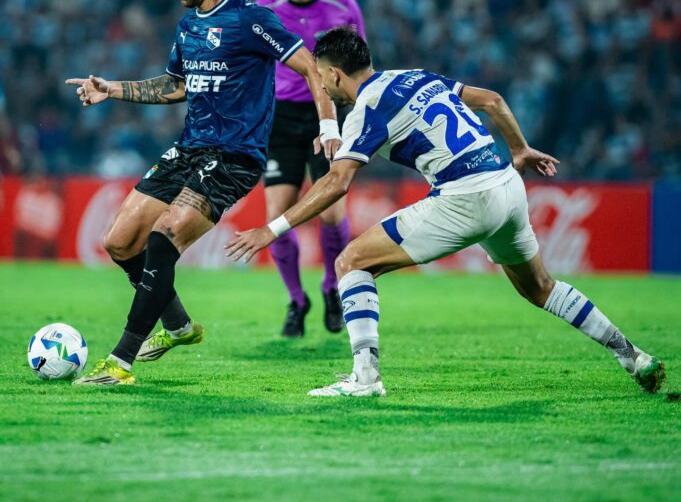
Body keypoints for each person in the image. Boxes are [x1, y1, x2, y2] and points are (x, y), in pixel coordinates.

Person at [226, 27, 666, 397]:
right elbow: (492, 100)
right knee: (541, 288)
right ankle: (633, 356)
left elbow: (336, 182)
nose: (320, 86)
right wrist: (520, 148)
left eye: (321, 78)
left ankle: (364, 377)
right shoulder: (416, 77)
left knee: (351, 262)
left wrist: (273, 228)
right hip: (507, 186)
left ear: (335, 74)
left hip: (464, 198)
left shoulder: (365, 110)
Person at [65, 0, 339, 387]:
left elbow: (310, 65)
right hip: (189, 148)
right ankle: (177, 325)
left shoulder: (251, 20)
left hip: (235, 156)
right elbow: (175, 86)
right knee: (117, 241)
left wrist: (329, 125)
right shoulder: (189, 24)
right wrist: (112, 89)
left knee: (164, 234)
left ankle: (120, 362)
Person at [257, 0, 366, 337]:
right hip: (281, 119)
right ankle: (296, 300)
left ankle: (332, 288)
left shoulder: (343, 6)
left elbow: (360, 66)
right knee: (276, 217)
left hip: (331, 117)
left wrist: (355, 118)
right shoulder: (265, 9)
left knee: (332, 210)